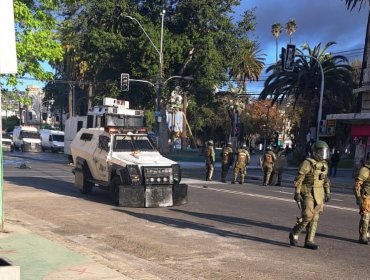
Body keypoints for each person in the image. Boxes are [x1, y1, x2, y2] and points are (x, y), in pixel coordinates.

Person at [289, 140, 331, 250]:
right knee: (308, 215)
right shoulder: (307, 163)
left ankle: (309, 241)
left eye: (324, 152)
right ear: (315, 152)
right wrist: (297, 193)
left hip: (319, 193)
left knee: (315, 218)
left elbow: (325, 180)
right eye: (321, 152)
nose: (323, 155)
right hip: (307, 192)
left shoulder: (324, 165)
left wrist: (328, 192)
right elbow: (299, 179)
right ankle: (294, 232)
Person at [353, 152, 370, 245]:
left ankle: (367, 234)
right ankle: (362, 236)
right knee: (366, 216)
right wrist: (358, 196)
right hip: (366, 196)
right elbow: (357, 184)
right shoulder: (365, 170)